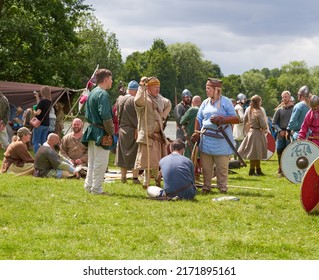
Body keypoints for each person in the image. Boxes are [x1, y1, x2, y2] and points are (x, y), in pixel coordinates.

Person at [191, 78, 239, 194]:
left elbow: (236, 119)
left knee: (222, 168)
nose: (206, 91)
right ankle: (206, 187)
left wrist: (221, 120)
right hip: (206, 139)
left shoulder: (225, 102)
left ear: (216, 90)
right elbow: (199, 118)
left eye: (208, 88)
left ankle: (222, 188)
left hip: (221, 141)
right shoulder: (205, 103)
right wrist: (196, 132)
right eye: (206, 88)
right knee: (206, 167)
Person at [81, 68, 115, 195]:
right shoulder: (103, 94)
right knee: (100, 162)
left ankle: (89, 186)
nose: (112, 81)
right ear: (105, 80)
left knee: (92, 161)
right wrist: (111, 132)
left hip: (92, 130)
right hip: (100, 131)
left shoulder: (92, 92)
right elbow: (105, 115)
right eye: (111, 79)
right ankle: (96, 189)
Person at [134, 77, 172, 188]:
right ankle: (148, 182)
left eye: (158, 87)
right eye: (155, 87)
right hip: (146, 135)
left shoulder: (160, 99)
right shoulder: (144, 97)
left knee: (155, 161)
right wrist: (141, 86)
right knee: (147, 161)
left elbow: (169, 104)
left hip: (157, 136)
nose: (158, 89)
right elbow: (137, 101)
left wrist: (163, 116)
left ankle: (155, 179)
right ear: (149, 88)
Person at [115, 80, 140, 184]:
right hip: (133, 130)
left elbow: (116, 113)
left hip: (122, 129)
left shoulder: (119, 99)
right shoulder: (134, 100)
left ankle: (123, 177)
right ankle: (135, 178)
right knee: (135, 154)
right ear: (135, 90)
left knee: (122, 154)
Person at [272, 90, 294, 176]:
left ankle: (288, 169)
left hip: (290, 133)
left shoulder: (294, 109)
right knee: (279, 151)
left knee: (289, 151)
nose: (284, 98)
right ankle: (280, 167)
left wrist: (290, 131)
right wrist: (280, 130)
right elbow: (273, 122)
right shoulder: (279, 110)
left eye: (286, 97)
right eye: (283, 97)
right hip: (280, 133)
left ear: (289, 97)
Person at [32, 86, 52, 153]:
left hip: (39, 123)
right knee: (43, 141)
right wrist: (37, 97)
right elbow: (40, 106)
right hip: (46, 124)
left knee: (36, 141)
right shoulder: (49, 102)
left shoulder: (43, 101)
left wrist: (33, 112)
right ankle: (44, 155)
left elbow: (38, 112)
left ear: (42, 92)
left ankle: (37, 157)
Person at [232, 94, 246, 159]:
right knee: (240, 144)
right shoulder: (240, 108)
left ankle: (235, 158)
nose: (245, 100)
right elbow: (242, 118)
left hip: (236, 127)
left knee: (236, 144)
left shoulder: (235, 107)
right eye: (244, 99)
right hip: (240, 127)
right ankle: (240, 159)